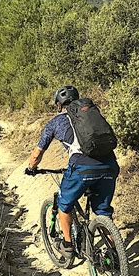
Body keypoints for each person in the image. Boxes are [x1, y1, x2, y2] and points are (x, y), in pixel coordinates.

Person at [25, 85, 119, 258]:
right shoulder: (90, 114)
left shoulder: (55, 123)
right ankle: (114, 253)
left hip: (82, 168)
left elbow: (38, 153)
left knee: (64, 204)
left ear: (59, 105)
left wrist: (31, 168)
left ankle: (68, 245)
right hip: (109, 165)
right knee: (103, 211)